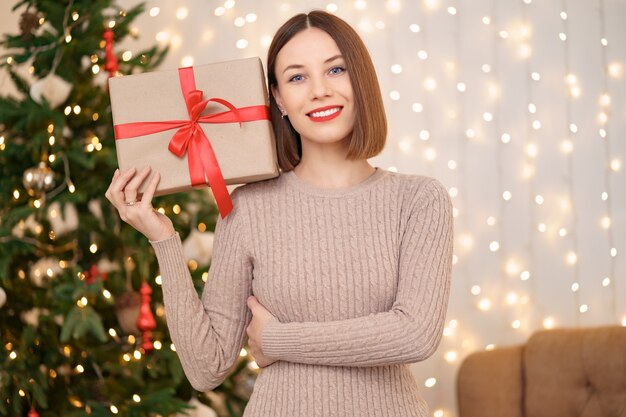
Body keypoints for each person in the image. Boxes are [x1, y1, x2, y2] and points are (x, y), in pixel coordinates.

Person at [106, 10, 453, 417]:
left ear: (360, 80)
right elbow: (207, 368)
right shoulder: (248, 206)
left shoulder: (420, 200)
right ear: (279, 101)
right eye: (297, 77)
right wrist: (162, 238)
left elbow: (415, 334)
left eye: (336, 69)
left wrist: (277, 340)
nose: (320, 90)